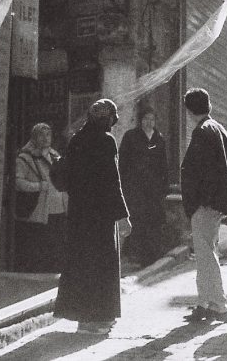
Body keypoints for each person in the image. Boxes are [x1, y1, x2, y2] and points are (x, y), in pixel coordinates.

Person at [53, 98, 130, 334]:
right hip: (100, 215)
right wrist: (123, 215)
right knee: (102, 265)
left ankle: (82, 319)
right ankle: (100, 318)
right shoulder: (106, 141)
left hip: (78, 214)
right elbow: (111, 181)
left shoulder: (77, 139)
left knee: (81, 263)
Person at [179, 88, 227, 323]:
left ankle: (219, 306)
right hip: (215, 202)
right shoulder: (217, 128)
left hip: (206, 203)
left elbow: (200, 172)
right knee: (206, 253)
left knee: (206, 255)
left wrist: (197, 203)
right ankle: (205, 303)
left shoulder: (202, 132)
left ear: (190, 110)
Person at [119, 106, 170, 267]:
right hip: (135, 188)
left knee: (153, 221)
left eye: (152, 119)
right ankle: (136, 256)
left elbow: (164, 165)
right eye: (146, 119)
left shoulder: (158, 139)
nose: (149, 123)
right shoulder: (131, 136)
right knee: (137, 220)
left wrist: (164, 187)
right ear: (140, 120)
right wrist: (124, 185)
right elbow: (123, 163)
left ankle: (152, 256)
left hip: (154, 190)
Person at [14, 122, 68, 273]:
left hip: (59, 210)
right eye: (41, 134)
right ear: (34, 137)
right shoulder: (25, 158)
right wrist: (38, 186)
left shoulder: (55, 156)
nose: (45, 138)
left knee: (57, 245)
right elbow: (17, 182)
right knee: (41, 245)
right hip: (39, 211)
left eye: (48, 134)